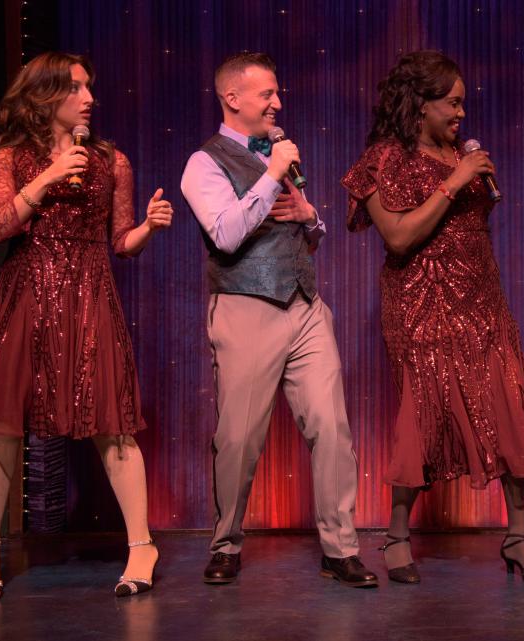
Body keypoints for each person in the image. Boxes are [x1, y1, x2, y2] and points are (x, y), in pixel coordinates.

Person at [0, 52, 172, 600]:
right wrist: (47, 174)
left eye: (90, 86)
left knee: (112, 424)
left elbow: (120, 244)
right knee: (1, 428)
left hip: (89, 297)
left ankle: (142, 545)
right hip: (26, 298)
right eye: (76, 87)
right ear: (45, 95)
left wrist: (146, 228)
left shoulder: (110, 162)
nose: (89, 96)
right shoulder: (12, 157)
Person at [342, 50, 524, 585]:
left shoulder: (457, 153)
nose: (461, 113)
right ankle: (397, 537)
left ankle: (518, 537)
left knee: (511, 407)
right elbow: (397, 236)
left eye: (463, 103)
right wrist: (454, 179)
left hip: (482, 296)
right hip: (422, 299)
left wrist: (465, 171)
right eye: (452, 102)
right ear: (420, 104)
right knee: (424, 414)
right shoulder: (383, 159)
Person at [181, 52, 377, 588]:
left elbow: (306, 234)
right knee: (239, 437)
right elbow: (224, 234)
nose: (277, 102)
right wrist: (269, 176)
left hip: (305, 304)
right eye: (266, 94)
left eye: (277, 92)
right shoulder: (204, 163)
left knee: (332, 428)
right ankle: (225, 542)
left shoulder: (278, 156)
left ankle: (340, 548)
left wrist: (312, 216)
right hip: (246, 306)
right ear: (233, 99)